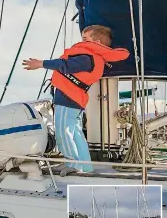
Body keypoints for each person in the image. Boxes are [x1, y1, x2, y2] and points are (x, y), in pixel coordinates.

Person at [22, 25, 129, 177]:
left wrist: (40, 64)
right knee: (76, 133)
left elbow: (64, 65)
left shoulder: (87, 58)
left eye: (85, 39)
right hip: (74, 99)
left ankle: (73, 164)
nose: (82, 42)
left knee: (63, 131)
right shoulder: (92, 58)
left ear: (97, 42)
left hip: (68, 97)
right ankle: (85, 166)